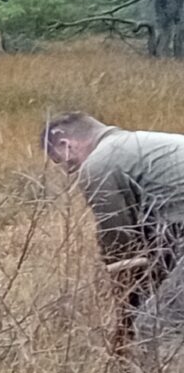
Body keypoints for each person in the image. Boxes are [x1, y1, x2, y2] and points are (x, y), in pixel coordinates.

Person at [43, 112, 184, 352]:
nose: (68, 171)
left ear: (65, 144)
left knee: (152, 329)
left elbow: (122, 252)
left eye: (61, 162)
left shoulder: (99, 164)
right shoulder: (145, 145)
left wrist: (126, 323)